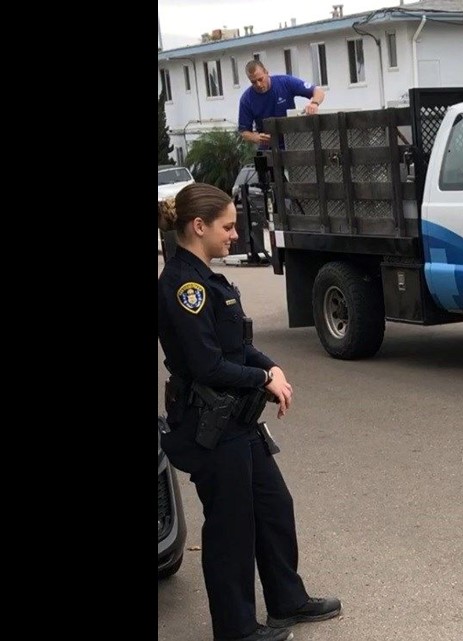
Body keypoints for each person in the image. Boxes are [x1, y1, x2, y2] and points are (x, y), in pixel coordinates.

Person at [157, 184, 341, 641]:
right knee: (230, 529)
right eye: (228, 226)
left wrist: (269, 365)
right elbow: (207, 364)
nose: (236, 236)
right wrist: (263, 380)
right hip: (210, 425)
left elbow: (237, 346)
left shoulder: (210, 278)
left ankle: (286, 601)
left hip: (236, 420)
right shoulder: (186, 286)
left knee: (274, 507)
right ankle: (236, 629)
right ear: (198, 227)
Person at [238, 60, 325, 151]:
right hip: (268, 148)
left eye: (260, 79)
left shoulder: (285, 82)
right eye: (253, 82)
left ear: (266, 73)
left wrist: (314, 103)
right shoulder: (246, 99)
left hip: (292, 144)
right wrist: (256, 137)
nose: (258, 84)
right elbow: (244, 132)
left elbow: (318, 91)